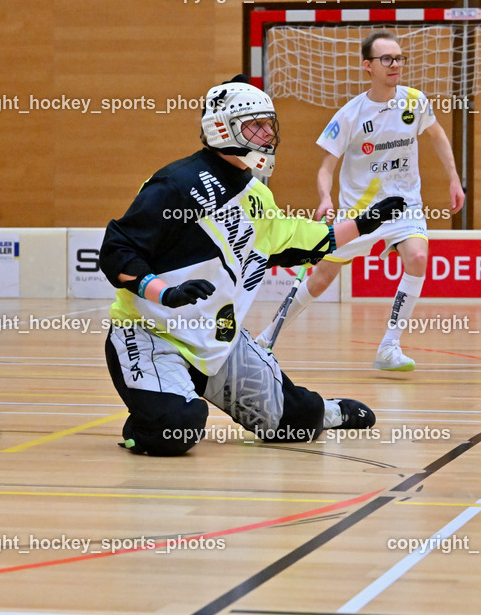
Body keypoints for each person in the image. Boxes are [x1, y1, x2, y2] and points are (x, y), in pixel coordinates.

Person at [99, 75, 406, 456]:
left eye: (268, 125)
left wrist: (365, 223)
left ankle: (327, 411)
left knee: (293, 425)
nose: (266, 135)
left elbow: (297, 242)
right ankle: (147, 419)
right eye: (254, 126)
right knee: (173, 430)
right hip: (151, 335)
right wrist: (166, 293)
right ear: (222, 128)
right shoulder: (175, 184)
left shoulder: (256, 192)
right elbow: (118, 248)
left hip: (217, 340)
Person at [255, 31, 464, 371]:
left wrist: (454, 178)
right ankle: (265, 338)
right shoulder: (350, 114)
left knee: (418, 256)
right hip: (360, 214)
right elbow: (326, 167)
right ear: (368, 66)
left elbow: (438, 138)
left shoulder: (414, 101)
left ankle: (389, 347)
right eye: (387, 59)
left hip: (403, 205)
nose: (395, 64)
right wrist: (325, 198)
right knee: (320, 279)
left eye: (398, 58)